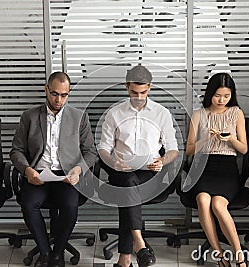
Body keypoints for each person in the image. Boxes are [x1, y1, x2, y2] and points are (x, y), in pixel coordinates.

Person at [10, 71, 97, 267]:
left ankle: (57, 254)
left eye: (64, 95)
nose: (59, 100)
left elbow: (91, 152)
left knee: (69, 206)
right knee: (28, 204)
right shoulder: (30, 116)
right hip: (38, 174)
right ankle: (45, 251)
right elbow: (16, 151)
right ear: (46, 90)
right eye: (55, 94)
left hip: (66, 175)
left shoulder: (79, 117)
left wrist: (78, 170)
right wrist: (26, 170)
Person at [97, 65, 179, 267]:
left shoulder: (161, 113)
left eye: (143, 92)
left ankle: (125, 258)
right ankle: (139, 244)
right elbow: (103, 149)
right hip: (121, 171)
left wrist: (162, 161)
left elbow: (173, 150)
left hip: (150, 174)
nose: (139, 97)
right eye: (134, 92)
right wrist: (114, 162)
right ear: (127, 87)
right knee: (128, 181)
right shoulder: (114, 114)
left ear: (150, 87)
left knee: (129, 187)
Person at [185, 73, 248, 267]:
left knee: (218, 205)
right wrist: (206, 139)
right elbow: (189, 151)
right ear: (210, 93)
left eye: (226, 96)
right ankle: (220, 255)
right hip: (203, 166)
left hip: (227, 168)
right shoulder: (198, 114)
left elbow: (244, 149)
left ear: (232, 95)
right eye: (217, 95)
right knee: (203, 200)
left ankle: (239, 256)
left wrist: (230, 139)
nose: (221, 100)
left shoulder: (236, 113)